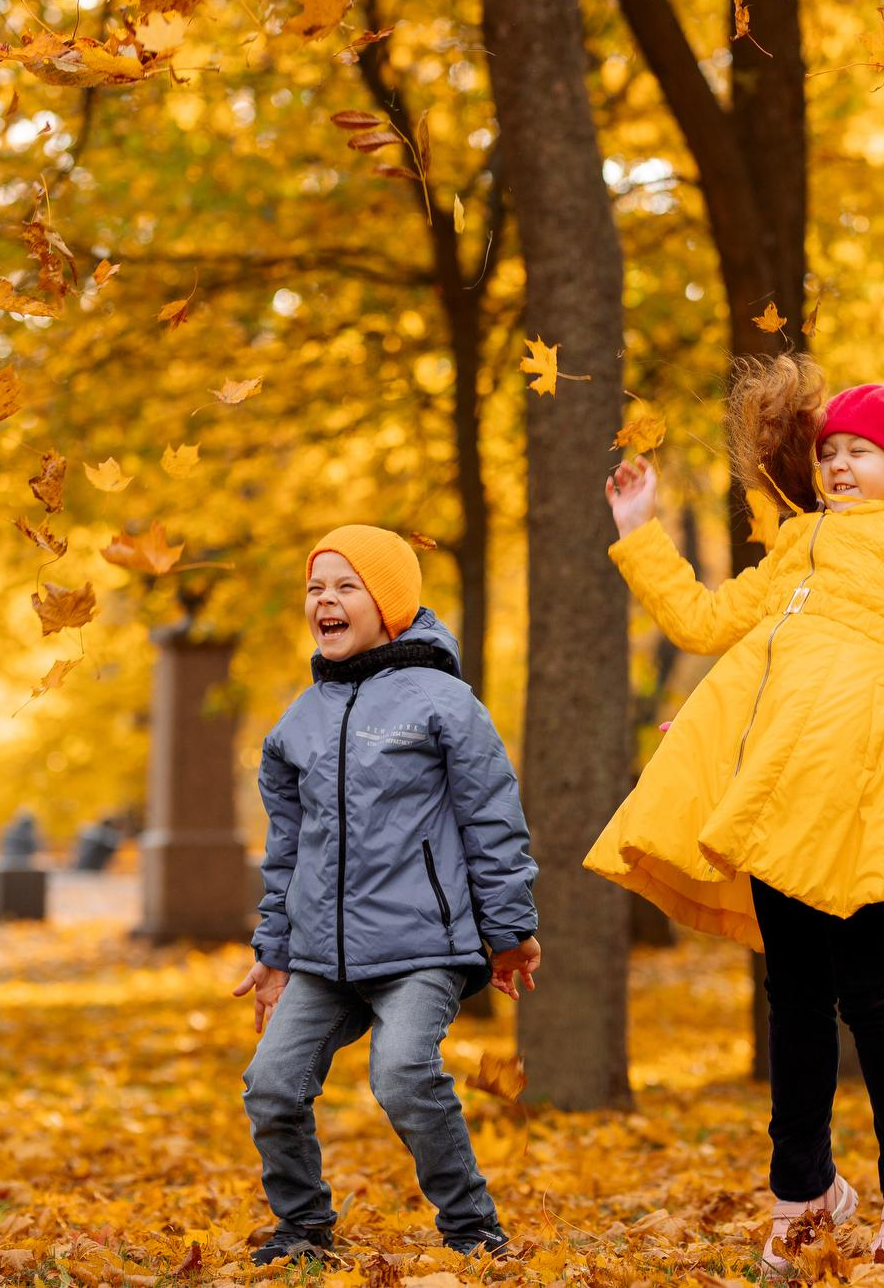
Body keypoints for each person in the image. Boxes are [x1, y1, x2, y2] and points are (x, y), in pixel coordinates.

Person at [584, 355, 884, 1274]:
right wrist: (639, 533)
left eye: (860, 452)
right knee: (793, 997)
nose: (836, 465)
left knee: (872, 992)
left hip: (859, 794)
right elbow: (707, 623)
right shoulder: (793, 547)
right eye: (830, 452)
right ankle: (805, 1189)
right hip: (778, 794)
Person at [232, 525, 543, 1265]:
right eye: (316, 588)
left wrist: (510, 930)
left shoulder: (443, 701)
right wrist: (273, 951)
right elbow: (286, 854)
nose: (326, 600)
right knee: (270, 1084)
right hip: (320, 958)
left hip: (422, 949)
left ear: (391, 603)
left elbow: (492, 819)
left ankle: (473, 1227)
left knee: (403, 1071)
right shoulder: (297, 723)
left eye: (346, 586)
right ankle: (303, 1227)